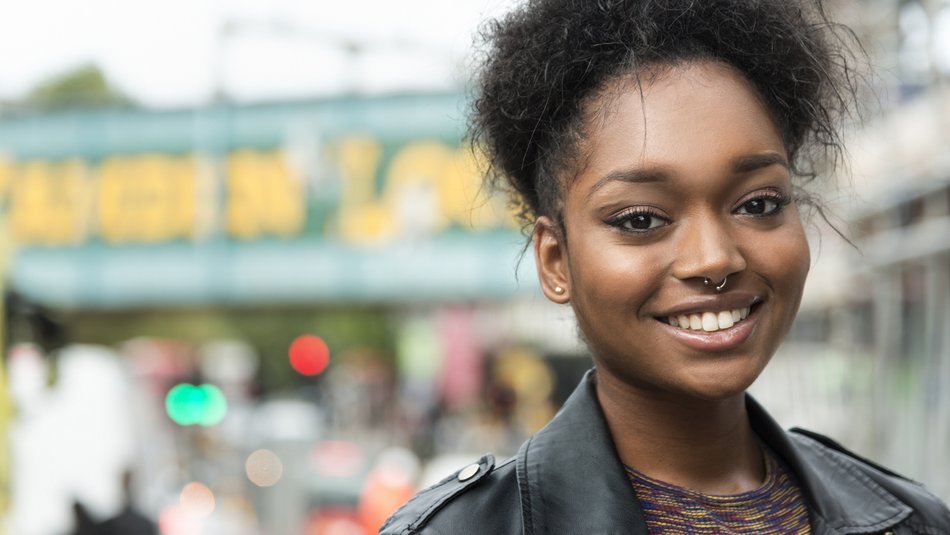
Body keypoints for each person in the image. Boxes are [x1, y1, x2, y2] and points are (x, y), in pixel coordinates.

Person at [381, 1, 950, 534]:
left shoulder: (912, 520)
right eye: (640, 219)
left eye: (758, 204)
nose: (715, 259)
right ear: (556, 260)